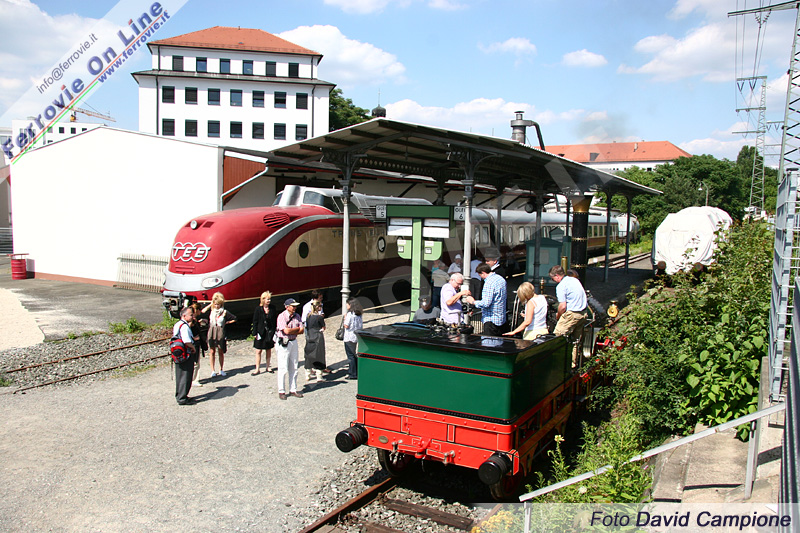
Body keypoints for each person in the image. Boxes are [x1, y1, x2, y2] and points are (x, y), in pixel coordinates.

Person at [549, 265, 588, 367]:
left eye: (552, 278)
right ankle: (573, 364)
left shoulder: (561, 286)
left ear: (557, 276)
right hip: (583, 313)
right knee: (575, 341)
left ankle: (557, 365)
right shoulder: (574, 280)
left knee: (557, 339)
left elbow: (562, 306)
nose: (553, 281)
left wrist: (558, 316)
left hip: (572, 314)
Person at [467, 263, 508, 336]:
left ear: (483, 273)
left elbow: (486, 303)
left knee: (489, 341)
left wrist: (473, 302)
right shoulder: (500, 279)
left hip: (491, 320)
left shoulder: (489, 283)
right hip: (501, 318)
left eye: (480, 275)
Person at [275, 298, 305, 399]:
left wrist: (293, 330)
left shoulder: (297, 316)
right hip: (284, 342)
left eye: (295, 306)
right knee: (283, 367)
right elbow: (286, 331)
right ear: (287, 307)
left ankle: (293, 389)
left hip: (293, 341)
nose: (295, 308)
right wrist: (296, 329)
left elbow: (301, 330)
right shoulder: (281, 316)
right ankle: (281, 391)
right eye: (293, 306)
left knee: (294, 366)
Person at [203, 292, 237, 377]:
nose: (216, 306)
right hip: (212, 331)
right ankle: (212, 370)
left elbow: (235, 318)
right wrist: (210, 304)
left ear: (221, 304)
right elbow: (203, 311)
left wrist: (227, 322)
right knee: (212, 351)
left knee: (220, 350)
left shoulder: (224, 312)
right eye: (215, 304)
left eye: (218, 304)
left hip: (220, 332)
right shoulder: (211, 311)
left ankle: (221, 369)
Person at [173, 307, 197, 405]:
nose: (192, 316)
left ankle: (180, 395)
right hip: (185, 354)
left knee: (180, 375)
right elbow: (186, 341)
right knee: (186, 375)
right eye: (191, 315)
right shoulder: (184, 326)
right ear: (184, 316)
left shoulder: (177, 324)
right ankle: (182, 398)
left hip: (178, 353)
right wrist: (193, 347)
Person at [251, 291, 277, 375]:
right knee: (258, 350)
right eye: (267, 299)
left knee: (268, 349)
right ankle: (257, 368)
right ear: (263, 299)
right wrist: (254, 333)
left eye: (269, 299)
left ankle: (268, 366)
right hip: (260, 332)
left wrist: (274, 331)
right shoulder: (258, 309)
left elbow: (274, 320)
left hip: (269, 332)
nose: (269, 301)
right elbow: (255, 321)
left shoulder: (272, 308)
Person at [303, 301, 330, 379]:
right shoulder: (319, 317)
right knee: (319, 355)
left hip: (310, 336)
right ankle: (319, 376)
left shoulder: (308, 316)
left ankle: (307, 374)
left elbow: (307, 326)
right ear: (318, 307)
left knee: (309, 355)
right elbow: (323, 328)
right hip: (318, 337)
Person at [343, 297, 363, 380]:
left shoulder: (350, 314)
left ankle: (352, 373)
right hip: (355, 336)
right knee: (354, 354)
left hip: (349, 337)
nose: (346, 305)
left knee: (350, 356)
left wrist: (344, 319)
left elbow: (346, 325)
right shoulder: (359, 314)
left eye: (347, 304)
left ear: (350, 305)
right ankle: (356, 371)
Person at [189, 301, 209, 388]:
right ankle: (194, 380)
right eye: (199, 310)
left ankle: (193, 379)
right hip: (194, 343)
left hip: (194, 342)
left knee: (195, 362)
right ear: (196, 310)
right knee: (196, 362)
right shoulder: (192, 321)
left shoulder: (194, 320)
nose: (200, 312)